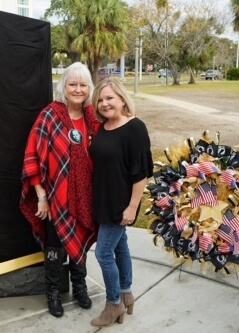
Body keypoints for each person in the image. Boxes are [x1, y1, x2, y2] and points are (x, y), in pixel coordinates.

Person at [19, 62, 100, 318]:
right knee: (54, 248)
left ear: (89, 88)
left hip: (86, 197)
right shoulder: (50, 115)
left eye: (83, 84)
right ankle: (53, 293)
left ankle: (79, 287)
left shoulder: (93, 118)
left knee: (81, 246)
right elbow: (33, 155)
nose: (78, 89)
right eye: (72, 84)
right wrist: (41, 197)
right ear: (63, 86)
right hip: (56, 198)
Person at [89, 77, 153, 327]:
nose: (105, 104)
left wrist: (132, 207)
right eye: (101, 100)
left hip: (120, 204)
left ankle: (113, 303)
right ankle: (126, 292)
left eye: (110, 98)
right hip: (104, 199)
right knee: (119, 247)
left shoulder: (135, 128)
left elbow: (141, 172)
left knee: (103, 253)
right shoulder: (102, 127)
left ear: (122, 99)